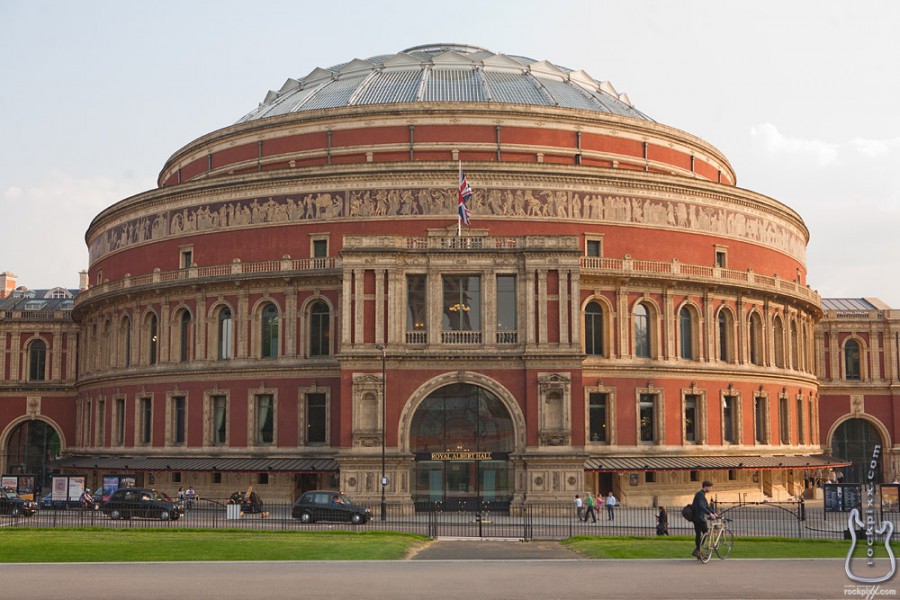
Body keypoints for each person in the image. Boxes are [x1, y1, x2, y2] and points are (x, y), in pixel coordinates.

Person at [691, 480, 718, 559]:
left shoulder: (701, 494)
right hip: (699, 518)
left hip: (697, 518)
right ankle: (697, 550)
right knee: (705, 533)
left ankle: (698, 552)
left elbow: (706, 506)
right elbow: (702, 506)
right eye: (710, 487)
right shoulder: (700, 494)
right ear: (705, 487)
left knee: (699, 535)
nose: (711, 489)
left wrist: (713, 512)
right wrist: (710, 514)